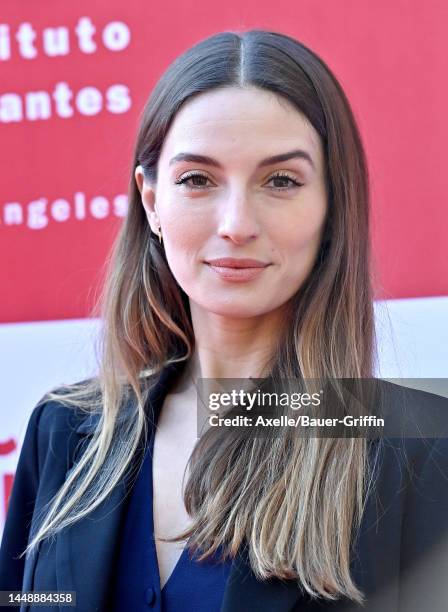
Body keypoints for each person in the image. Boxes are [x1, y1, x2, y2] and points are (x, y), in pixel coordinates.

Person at [1, 28, 448, 612]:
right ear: (152, 200)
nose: (236, 222)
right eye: (197, 179)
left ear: (333, 204)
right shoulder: (63, 432)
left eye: (281, 180)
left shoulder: (418, 447)